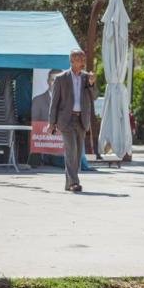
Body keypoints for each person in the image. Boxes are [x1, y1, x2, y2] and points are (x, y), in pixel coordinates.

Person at [47, 49, 96, 193]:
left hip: (81, 119)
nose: (83, 62)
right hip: (66, 120)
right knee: (71, 150)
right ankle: (75, 182)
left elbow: (94, 97)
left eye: (83, 59)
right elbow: (54, 102)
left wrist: (92, 84)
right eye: (80, 59)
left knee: (78, 153)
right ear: (72, 61)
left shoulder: (88, 78)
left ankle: (68, 183)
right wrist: (51, 122)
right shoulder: (61, 78)